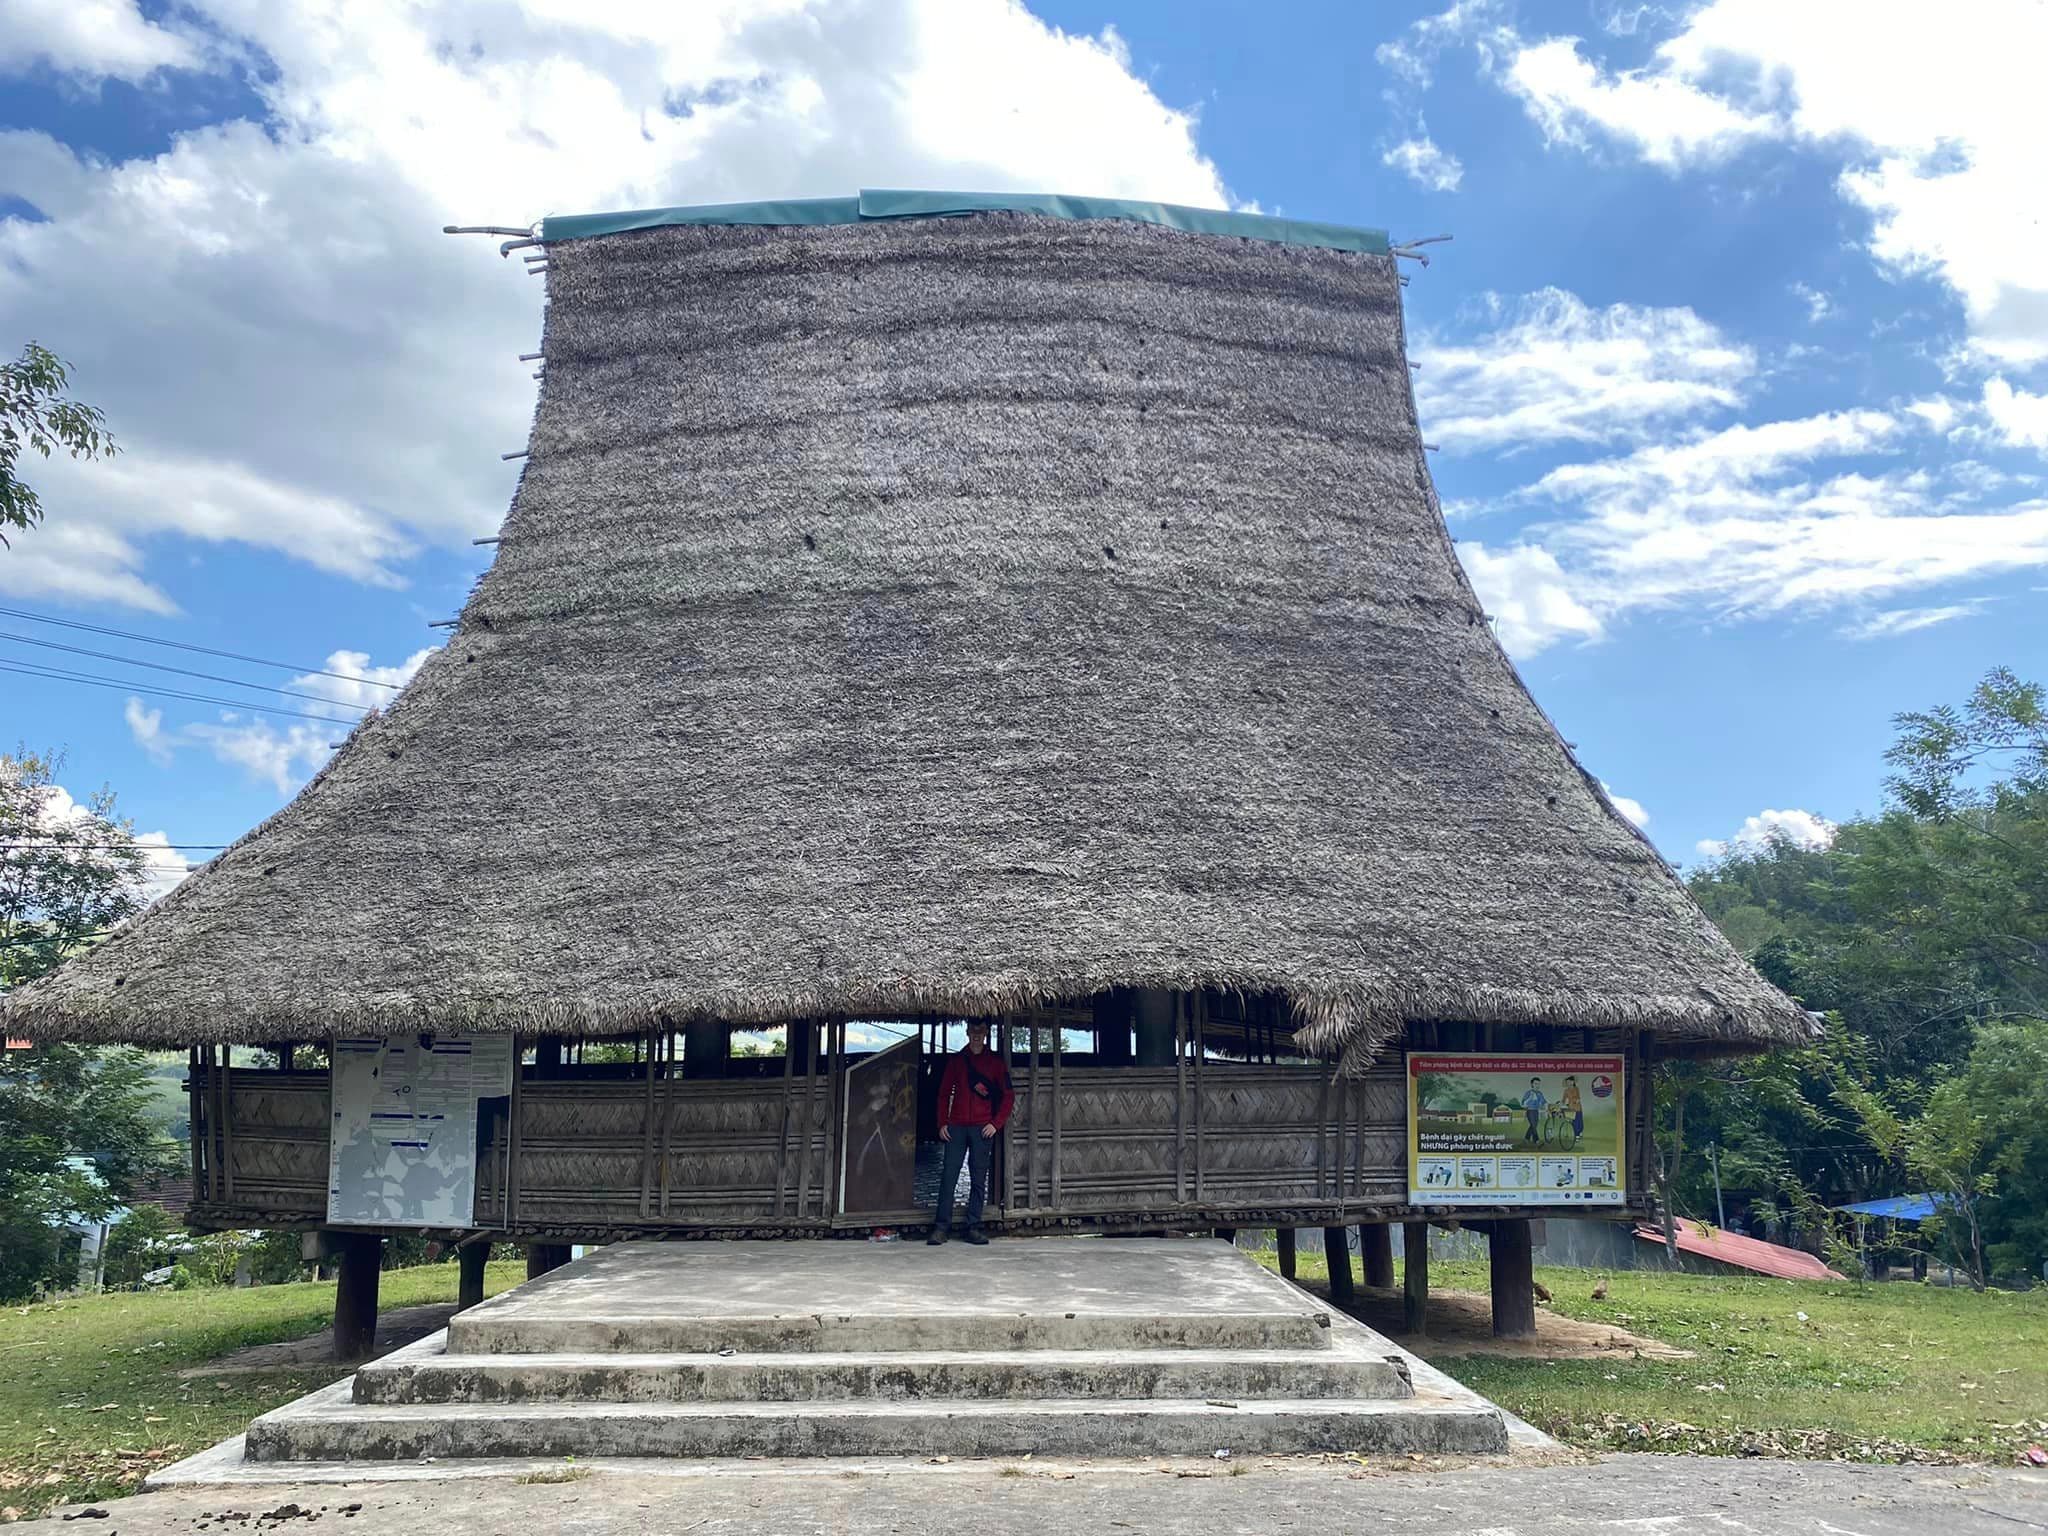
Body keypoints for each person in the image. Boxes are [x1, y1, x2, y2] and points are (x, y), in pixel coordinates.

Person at [930, 1020, 1013, 1245]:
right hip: (956, 1127)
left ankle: (974, 1226)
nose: (976, 1036)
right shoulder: (957, 1061)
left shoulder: (995, 1063)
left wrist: (996, 1124)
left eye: (980, 1032)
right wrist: (942, 1123)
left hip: (981, 1129)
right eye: (973, 1032)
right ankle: (941, 1227)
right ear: (967, 1034)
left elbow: (1008, 1096)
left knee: (978, 1179)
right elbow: (943, 1093)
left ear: (986, 1034)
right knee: (949, 1178)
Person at [1520, 1077, 1546, 1145]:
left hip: (1536, 1111)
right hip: (1530, 1111)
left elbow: (1543, 1102)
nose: (1537, 1085)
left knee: (1533, 1126)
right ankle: (1537, 1141)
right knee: (1533, 1125)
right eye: (1536, 1083)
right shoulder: (1528, 1093)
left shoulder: (1540, 1093)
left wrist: (1544, 1106)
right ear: (1532, 1084)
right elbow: (1523, 1104)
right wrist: (1529, 1098)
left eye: (1538, 1084)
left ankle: (1526, 1138)